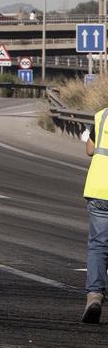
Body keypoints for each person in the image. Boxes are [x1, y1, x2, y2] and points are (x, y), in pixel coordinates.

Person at [81, 117, 108, 323]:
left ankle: (94, 296)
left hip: (99, 190)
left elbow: (90, 149)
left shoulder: (102, 116)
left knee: (98, 245)